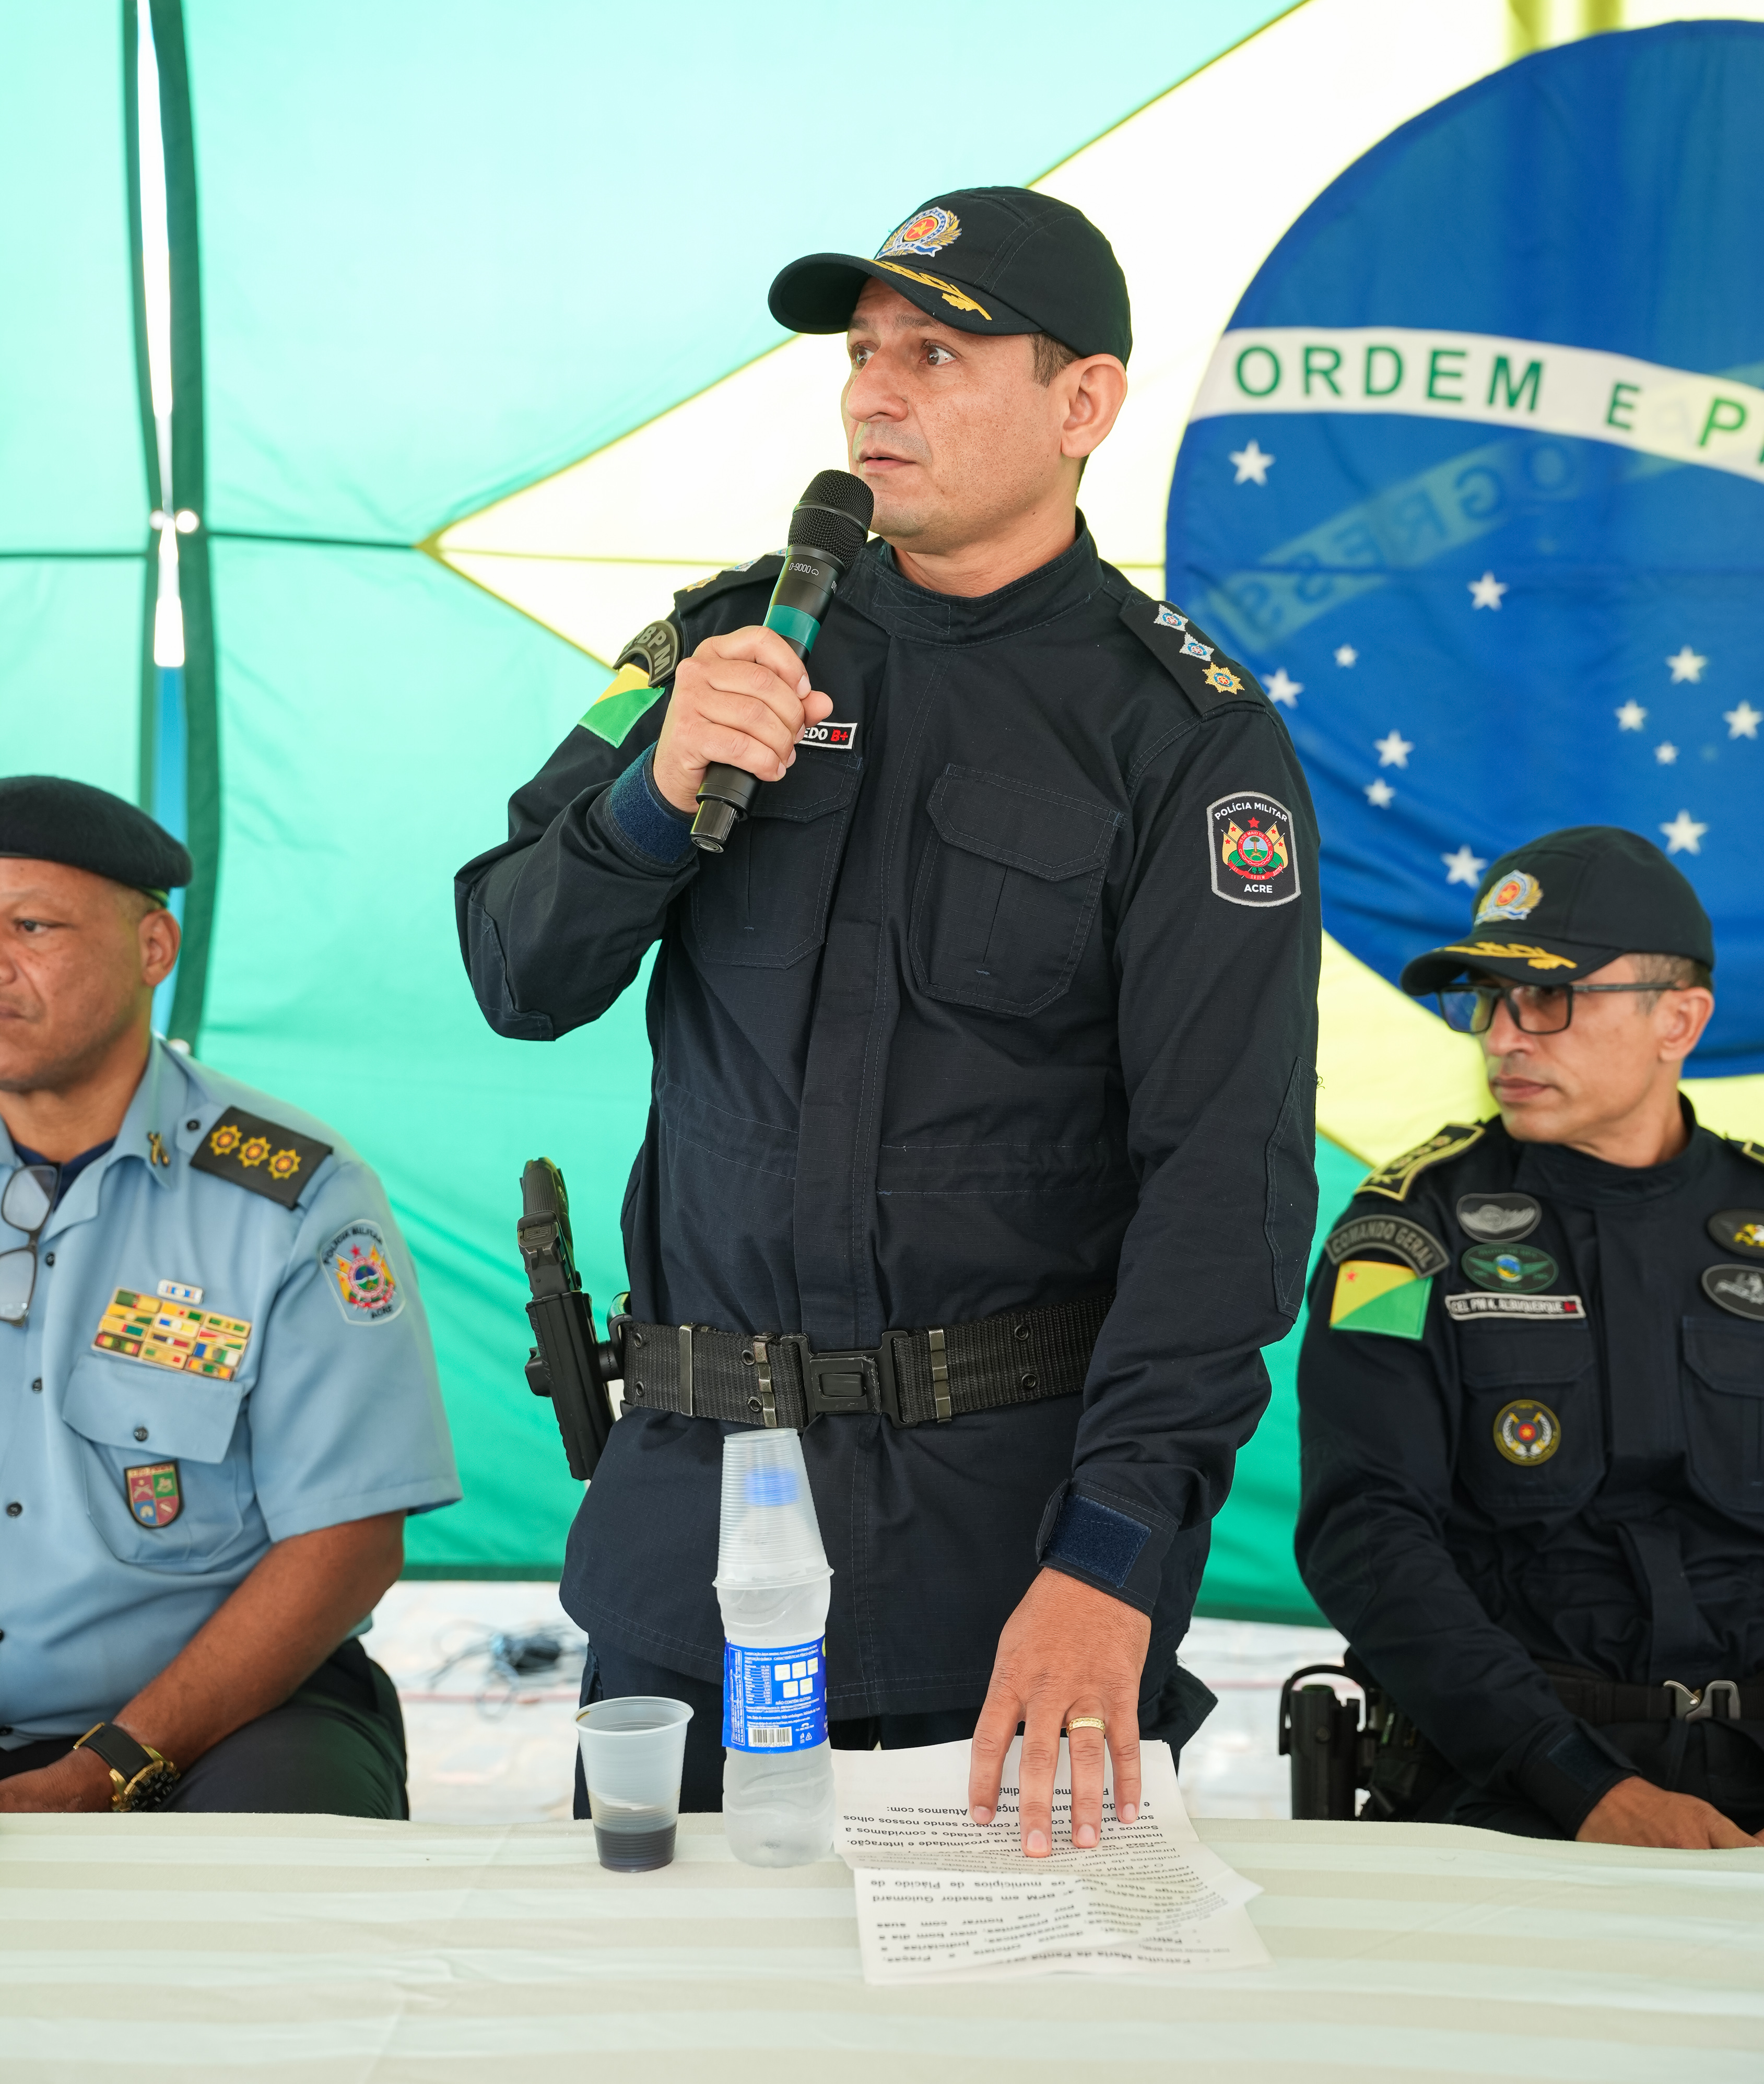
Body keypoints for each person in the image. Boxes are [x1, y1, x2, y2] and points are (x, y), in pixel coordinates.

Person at [457, 185, 1320, 1855]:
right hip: (687, 1558)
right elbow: (514, 970)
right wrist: (654, 795)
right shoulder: (722, 643)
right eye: (862, 353)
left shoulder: (1184, 741)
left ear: (1084, 405)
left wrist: (1112, 1558)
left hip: (995, 1584)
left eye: (937, 351)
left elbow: (1225, 1193)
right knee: (659, 2023)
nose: (873, 394)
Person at [1297, 825, 1764, 1848]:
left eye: (1548, 999)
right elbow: (1366, 1537)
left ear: (1678, 1019)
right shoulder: (1399, 1238)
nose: (1505, 1036)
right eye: (1488, 1000)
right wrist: (1587, 1790)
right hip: (1503, 1804)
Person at [0, 775, 460, 1816]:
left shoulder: (294, 1198)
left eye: (32, 925)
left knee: (288, 1868)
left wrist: (104, 1770)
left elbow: (347, 1541)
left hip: (231, 1716)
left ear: (153, 950)